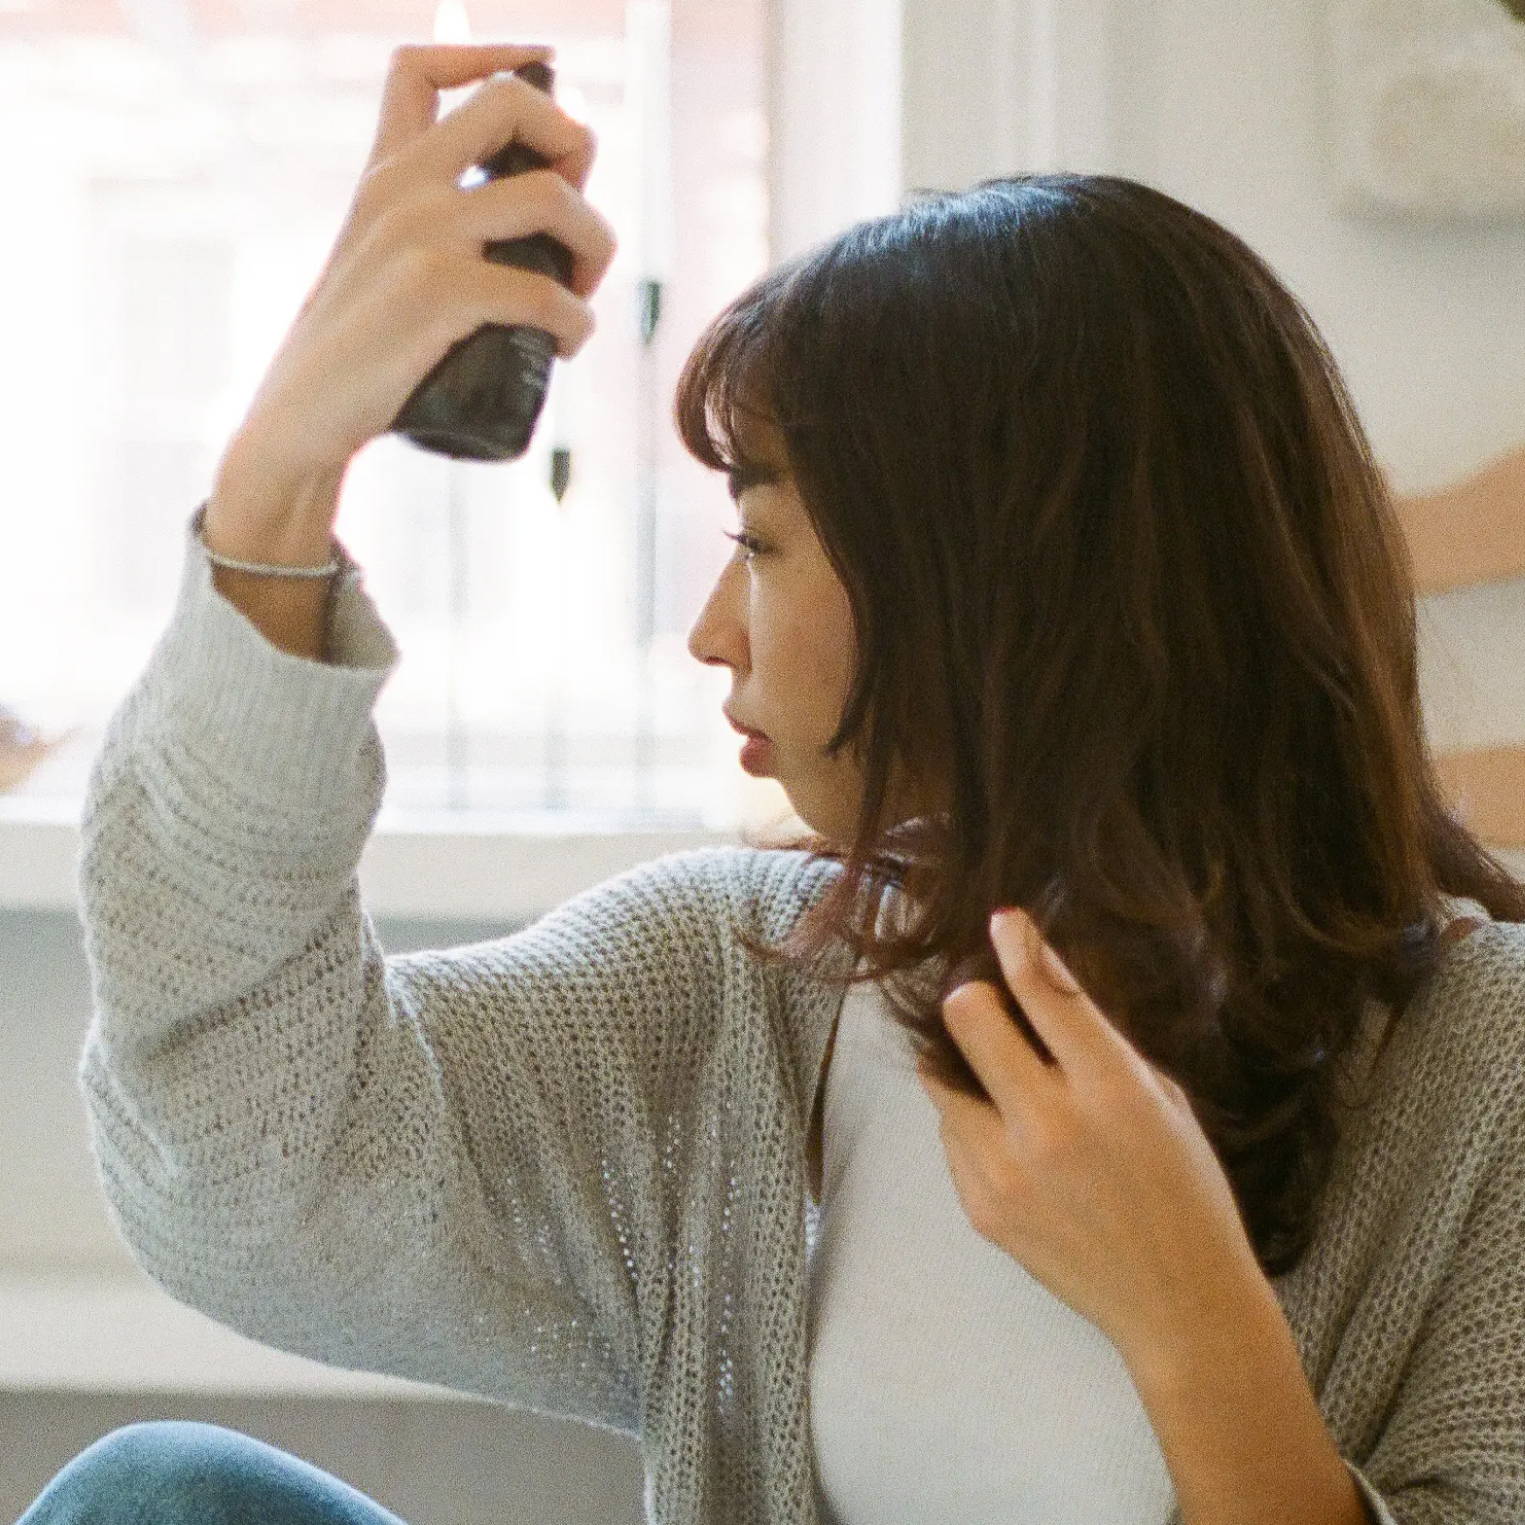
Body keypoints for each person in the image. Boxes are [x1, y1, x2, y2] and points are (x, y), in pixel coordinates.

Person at [29, 30, 1525, 1525]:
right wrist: (281, 470)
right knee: (163, 1497)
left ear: (994, 587)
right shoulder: (745, 990)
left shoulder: (1490, 1079)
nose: (708, 629)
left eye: (759, 541)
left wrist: (1200, 1334)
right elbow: (244, 1165)